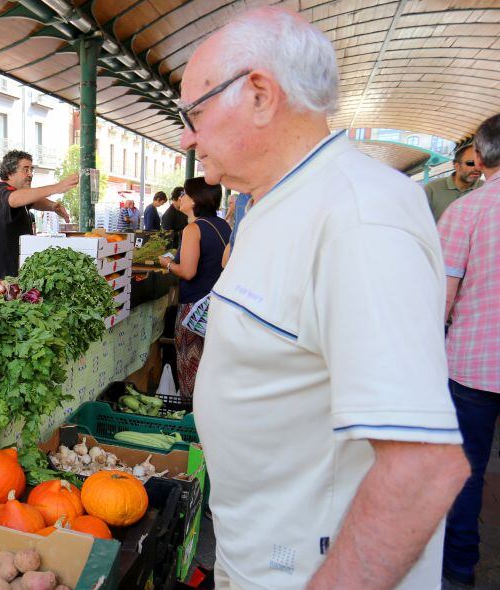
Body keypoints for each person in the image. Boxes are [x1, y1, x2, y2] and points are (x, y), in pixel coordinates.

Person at [180, 7, 468, 590]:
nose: (187, 136)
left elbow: (422, 469)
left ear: (259, 95)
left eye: (194, 113)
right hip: (256, 552)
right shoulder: (274, 203)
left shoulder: (361, 216)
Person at [436, 114, 500, 587]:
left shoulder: (467, 212)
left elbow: (441, 299)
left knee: (467, 467)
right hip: (475, 366)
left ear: (478, 156)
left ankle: (460, 564)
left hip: (475, 367)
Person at [161, 178, 230, 399]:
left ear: (195, 200)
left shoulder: (193, 229)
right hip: (216, 305)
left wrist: (168, 264)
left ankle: (191, 413)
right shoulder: (223, 225)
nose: (181, 198)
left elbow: (188, 272)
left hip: (194, 310)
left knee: (191, 367)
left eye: (185, 194)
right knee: (212, 368)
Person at [0, 150, 76, 281]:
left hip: (14, 275)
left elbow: (34, 201)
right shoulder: (1, 190)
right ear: (9, 172)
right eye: (25, 169)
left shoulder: (18, 193)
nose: (30, 174)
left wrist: (53, 206)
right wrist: (56, 188)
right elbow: (14, 199)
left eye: (31, 170)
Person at [425, 144, 483, 222]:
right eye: (471, 163)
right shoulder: (432, 189)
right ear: (456, 166)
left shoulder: (487, 190)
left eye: (481, 163)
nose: (477, 168)